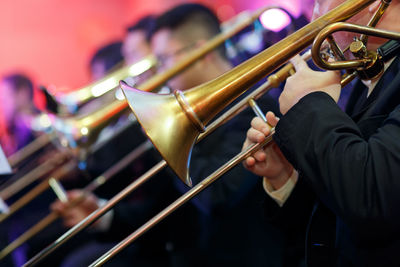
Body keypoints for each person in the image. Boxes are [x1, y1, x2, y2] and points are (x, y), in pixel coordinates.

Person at [243, 0, 400, 266]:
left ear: (373, 4)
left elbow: (374, 199)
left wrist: (309, 105)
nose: (313, 15)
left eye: (319, 1)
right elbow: (336, 217)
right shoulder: (371, 70)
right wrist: (285, 177)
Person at [0, 74, 38, 157]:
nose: (3, 104)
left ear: (23, 93)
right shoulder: (12, 132)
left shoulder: (41, 129)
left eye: (6, 97)